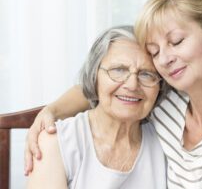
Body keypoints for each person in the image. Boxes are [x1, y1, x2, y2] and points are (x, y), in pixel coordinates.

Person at [25, 0, 202, 188]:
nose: (165, 59)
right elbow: (102, 85)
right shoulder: (170, 105)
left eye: (177, 41)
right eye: (155, 52)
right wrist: (51, 111)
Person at [26, 25, 167, 189]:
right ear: (94, 77)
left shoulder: (167, 138)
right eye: (119, 70)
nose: (132, 85)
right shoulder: (57, 142)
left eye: (146, 74)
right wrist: (50, 110)